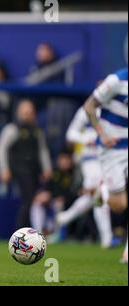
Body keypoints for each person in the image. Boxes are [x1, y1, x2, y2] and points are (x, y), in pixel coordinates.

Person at [83, 67, 128, 263]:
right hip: (112, 148)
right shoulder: (116, 80)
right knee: (120, 206)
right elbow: (89, 106)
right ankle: (104, 191)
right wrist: (102, 134)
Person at [52, 107, 114, 248]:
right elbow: (70, 134)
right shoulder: (86, 110)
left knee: (95, 196)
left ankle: (65, 217)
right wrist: (86, 139)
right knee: (100, 194)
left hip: (107, 158)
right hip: (89, 159)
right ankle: (107, 238)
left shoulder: (116, 107)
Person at [0, 99, 52, 228]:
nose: (27, 115)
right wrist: (3, 169)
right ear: (18, 113)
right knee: (28, 200)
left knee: (34, 201)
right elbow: (0, 149)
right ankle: (21, 230)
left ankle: (33, 229)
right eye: (24, 112)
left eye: (30, 112)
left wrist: (46, 168)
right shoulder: (12, 129)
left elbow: (42, 150)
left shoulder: (37, 131)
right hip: (19, 170)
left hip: (34, 171)